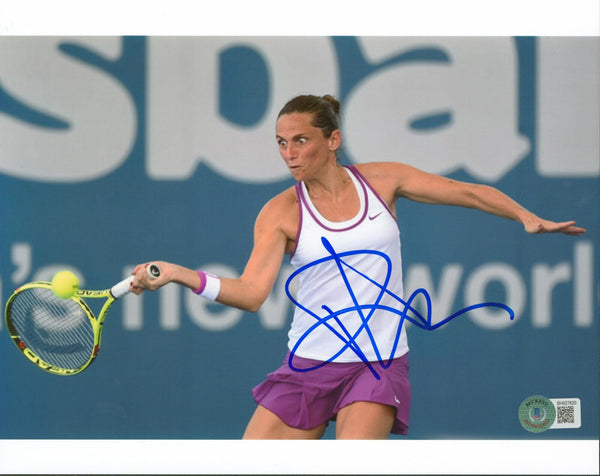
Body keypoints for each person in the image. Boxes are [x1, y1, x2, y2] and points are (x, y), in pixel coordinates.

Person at [130, 94, 586, 439]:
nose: (290, 153)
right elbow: (251, 294)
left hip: (377, 365)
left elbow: (465, 191)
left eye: (301, 141)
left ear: (333, 140)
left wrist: (525, 217)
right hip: (308, 366)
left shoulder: (384, 180)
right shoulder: (280, 212)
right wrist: (179, 274)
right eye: (282, 143)